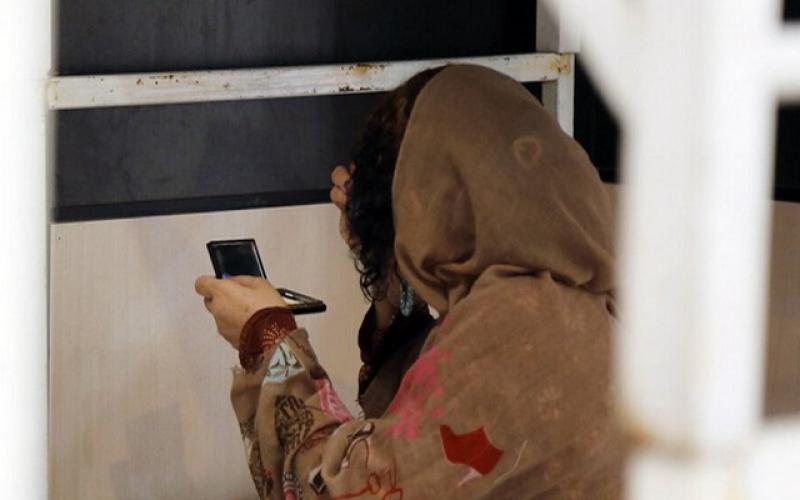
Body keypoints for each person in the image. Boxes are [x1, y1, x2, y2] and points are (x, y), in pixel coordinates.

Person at [195, 64, 622, 499]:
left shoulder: (520, 321)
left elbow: (351, 488)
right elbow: (420, 432)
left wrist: (267, 337)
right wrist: (389, 273)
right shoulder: (573, 299)